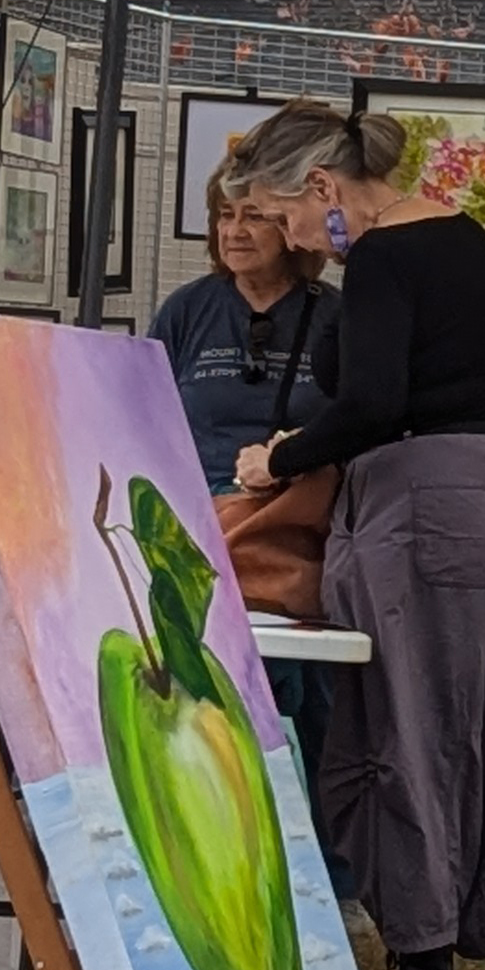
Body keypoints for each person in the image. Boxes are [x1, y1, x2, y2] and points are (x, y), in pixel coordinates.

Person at [227, 98, 485, 970]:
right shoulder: (468, 240)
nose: (298, 245)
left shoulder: (380, 256)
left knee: (406, 733)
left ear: (326, 189)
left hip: (424, 503)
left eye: (290, 221)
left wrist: (280, 460)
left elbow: (373, 404)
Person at [154, 172, 343, 805]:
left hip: (300, 529)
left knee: (303, 699)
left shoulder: (334, 316)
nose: (234, 231)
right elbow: (145, 417)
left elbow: (358, 419)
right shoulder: (188, 311)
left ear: (289, 226)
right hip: (197, 529)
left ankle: (321, 876)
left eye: (254, 217)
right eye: (224, 216)